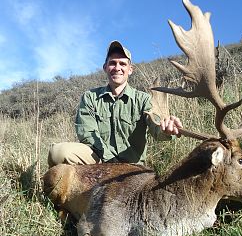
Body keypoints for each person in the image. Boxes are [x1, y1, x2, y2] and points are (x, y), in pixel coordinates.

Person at [48, 40, 183, 167]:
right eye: (112, 63)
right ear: (105, 67)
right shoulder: (90, 97)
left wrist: (166, 130)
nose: (117, 67)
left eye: (122, 64)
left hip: (132, 169)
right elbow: (87, 134)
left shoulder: (143, 99)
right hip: (99, 162)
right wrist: (109, 161)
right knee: (58, 153)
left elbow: (156, 126)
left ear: (130, 69)